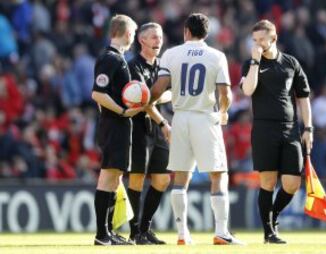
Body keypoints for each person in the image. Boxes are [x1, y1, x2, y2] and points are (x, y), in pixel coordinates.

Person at [148, 13, 245, 245]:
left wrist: (146, 102)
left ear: (186, 31)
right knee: (218, 174)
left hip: (180, 118)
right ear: (206, 33)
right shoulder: (216, 55)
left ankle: (182, 234)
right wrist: (223, 112)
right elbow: (225, 94)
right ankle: (221, 232)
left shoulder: (171, 54)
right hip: (205, 117)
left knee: (180, 177)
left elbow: (158, 89)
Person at [240, 20, 313, 244]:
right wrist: (255, 61)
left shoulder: (291, 63)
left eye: (262, 40)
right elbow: (247, 90)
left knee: (292, 183)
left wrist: (308, 128)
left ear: (274, 38)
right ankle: (269, 233)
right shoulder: (251, 63)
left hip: (290, 128)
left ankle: (273, 217)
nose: (258, 44)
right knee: (268, 182)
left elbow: (303, 98)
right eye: (255, 40)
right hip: (263, 129)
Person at [91, 14, 143, 246]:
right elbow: (97, 93)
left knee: (114, 177)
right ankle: (101, 235)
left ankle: (108, 232)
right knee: (108, 176)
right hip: (115, 124)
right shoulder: (110, 58)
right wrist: (120, 112)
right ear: (128, 33)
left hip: (118, 124)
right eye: (133, 33)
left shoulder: (117, 58)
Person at [126, 22, 171, 245]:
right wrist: (164, 122)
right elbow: (144, 102)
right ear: (141, 40)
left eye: (160, 37)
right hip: (140, 128)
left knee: (162, 180)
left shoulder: (163, 66)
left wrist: (157, 97)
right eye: (153, 37)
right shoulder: (134, 65)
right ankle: (134, 232)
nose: (158, 41)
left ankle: (145, 229)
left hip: (158, 128)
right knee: (136, 179)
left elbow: (169, 95)